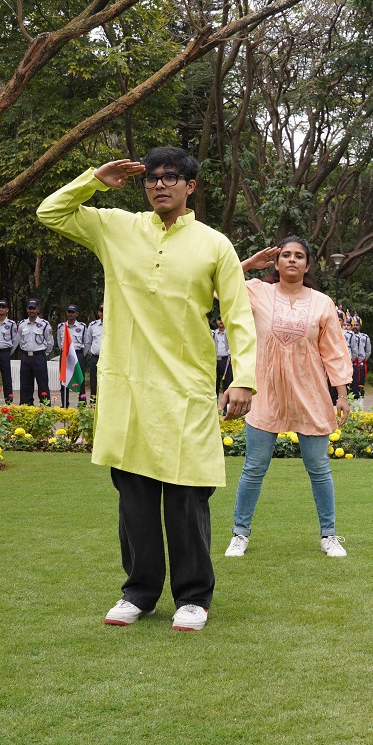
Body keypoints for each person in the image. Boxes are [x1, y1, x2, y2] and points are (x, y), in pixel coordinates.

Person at [38, 146, 256, 633]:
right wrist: (94, 179)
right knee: (133, 498)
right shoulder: (116, 227)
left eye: (171, 177)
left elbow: (239, 317)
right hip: (127, 385)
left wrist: (244, 379)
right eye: (152, 178)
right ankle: (138, 592)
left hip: (186, 388)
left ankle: (194, 597)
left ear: (190, 186)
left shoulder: (214, 244)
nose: (160, 185)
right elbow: (50, 211)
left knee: (185, 498)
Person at [225, 238, 352, 559]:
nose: (292, 260)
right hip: (266, 392)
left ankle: (330, 534)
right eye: (285, 255)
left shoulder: (322, 302)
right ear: (276, 263)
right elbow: (219, 286)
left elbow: (334, 350)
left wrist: (341, 394)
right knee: (254, 467)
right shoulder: (258, 291)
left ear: (308, 265)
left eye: (299, 256)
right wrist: (249, 264)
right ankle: (240, 534)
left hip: (309, 393)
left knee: (319, 467)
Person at [14, 300, 53, 405]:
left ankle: (45, 407)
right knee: (25, 384)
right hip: (26, 356)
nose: (32, 311)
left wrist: (44, 354)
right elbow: (20, 341)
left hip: (39, 356)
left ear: (37, 309)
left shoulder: (44, 324)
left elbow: (50, 342)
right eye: (30, 308)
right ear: (27, 309)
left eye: (34, 308)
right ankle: (26, 407)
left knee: (42, 383)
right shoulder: (22, 324)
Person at [57, 304, 87, 407]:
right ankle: (64, 404)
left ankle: (82, 404)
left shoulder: (82, 327)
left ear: (77, 314)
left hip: (78, 354)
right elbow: (59, 341)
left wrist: (81, 354)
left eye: (73, 312)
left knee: (80, 379)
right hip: (65, 355)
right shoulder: (61, 326)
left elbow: (86, 343)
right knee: (64, 379)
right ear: (66, 313)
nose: (70, 314)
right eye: (69, 312)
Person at [83, 305, 104, 402]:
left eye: (105, 310)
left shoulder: (114, 325)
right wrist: (84, 356)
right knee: (93, 382)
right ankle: (93, 404)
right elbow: (88, 342)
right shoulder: (93, 326)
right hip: (95, 357)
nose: (103, 313)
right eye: (101, 311)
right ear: (98, 312)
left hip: (108, 359)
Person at [349, 314, 371, 402]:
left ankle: (359, 405)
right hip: (350, 364)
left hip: (360, 365)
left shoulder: (365, 337)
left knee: (360, 386)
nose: (355, 327)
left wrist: (361, 360)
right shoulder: (347, 336)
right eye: (353, 325)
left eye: (357, 325)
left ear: (360, 326)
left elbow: (368, 351)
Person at [212, 317, 232, 393]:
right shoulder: (213, 333)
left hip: (226, 361)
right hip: (215, 361)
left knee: (227, 384)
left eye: (222, 319)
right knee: (215, 383)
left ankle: (225, 404)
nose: (221, 321)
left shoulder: (228, 333)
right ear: (216, 321)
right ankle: (215, 403)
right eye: (219, 319)